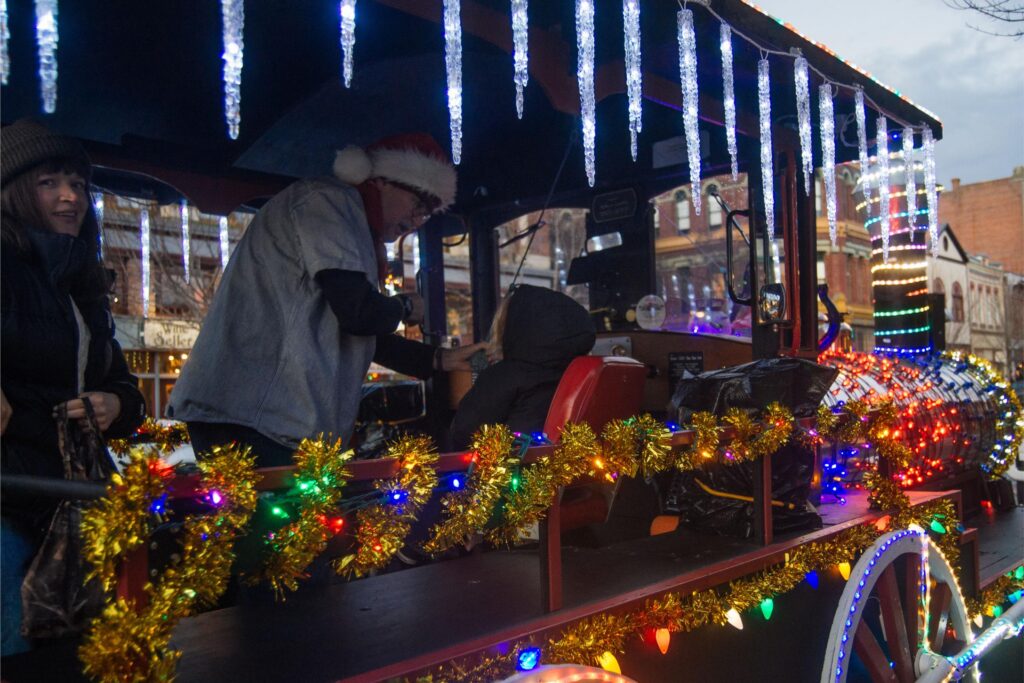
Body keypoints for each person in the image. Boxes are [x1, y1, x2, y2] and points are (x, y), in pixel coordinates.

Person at [168, 133, 483, 465]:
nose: (418, 221)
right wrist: (404, 306)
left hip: (260, 416)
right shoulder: (329, 203)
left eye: (428, 214)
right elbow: (357, 313)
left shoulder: (351, 225)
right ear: (382, 181)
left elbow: (354, 329)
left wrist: (440, 360)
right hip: (255, 417)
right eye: (419, 204)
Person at [1, 119, 147, 654]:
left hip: (73, 501)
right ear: (14, 192)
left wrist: (115, 403)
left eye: (78, 185)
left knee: (75, 652)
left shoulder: (82, 279)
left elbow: (123, 385)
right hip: (11, 499)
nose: (70, 197)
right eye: (49, 183)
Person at [449, 285, 596, 450]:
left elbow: (463, 434)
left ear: (514, 325)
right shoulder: (578, 373)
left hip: (508, 470)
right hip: (565, 466)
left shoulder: (504, 376)